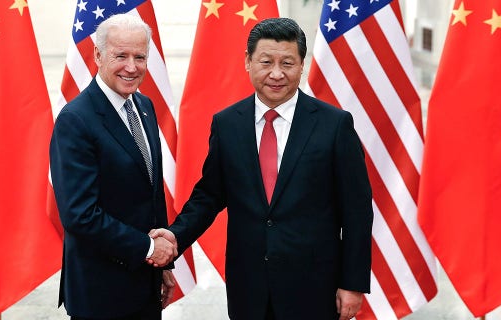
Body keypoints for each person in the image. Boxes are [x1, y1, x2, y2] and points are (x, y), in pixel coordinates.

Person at [151, 17, 373, 320]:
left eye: (288, 63)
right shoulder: (227, 123)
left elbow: (357, 211)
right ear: (248, 61)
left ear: (301, 64)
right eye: (266, 62)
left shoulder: (334, 125)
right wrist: (175, 236)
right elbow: (210, 195)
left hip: (314, 288)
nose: (277, 74)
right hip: (249, 287)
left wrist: (353, 284)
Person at [50, 14, 177, 320]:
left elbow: (151, 191)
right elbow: (80, 215)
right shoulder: (76, 120)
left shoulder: (144, 106)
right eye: (120, 56)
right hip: (101, 294)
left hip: (145, 285)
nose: (131, 67)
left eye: (140, 57)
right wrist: (149, 248)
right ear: (97, 55)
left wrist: (163, 266)